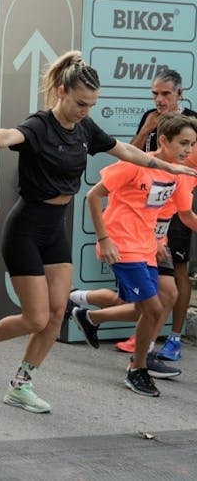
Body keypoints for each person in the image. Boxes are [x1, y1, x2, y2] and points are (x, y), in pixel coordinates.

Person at [0, 52, 197, 414]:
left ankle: (21, 384)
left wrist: (166, 164)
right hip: (26, 229)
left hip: (55, 228)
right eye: (81, 103)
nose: (85, 110)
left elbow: (123, 149)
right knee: (35, 317)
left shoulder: (85, 128)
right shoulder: (39, 125)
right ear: (62, 92)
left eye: (91, 105)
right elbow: (9, 134)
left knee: (57, 311)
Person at [74, 114, 197, 394]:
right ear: (164, 140)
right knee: (154, 309)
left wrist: (156, 240)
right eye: (183, 143)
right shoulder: (134, 165)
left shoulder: (177, 175)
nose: (188, 150)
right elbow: (93, 196)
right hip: (121, 243)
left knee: (143, 308)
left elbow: (186, 215)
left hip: (147, 246)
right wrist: (104, 240)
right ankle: (137, 369)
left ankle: (89, 317)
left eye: (192, 144)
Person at [128, 69, 197, 361]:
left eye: (165, 94)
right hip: (146, 207)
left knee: (177, 271)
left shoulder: (192, 122)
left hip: (178, 204)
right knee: (147, 273)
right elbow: (130, 157)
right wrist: (147, 129)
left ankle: (174, 337)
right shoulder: (149, 116)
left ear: (179, 94)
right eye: (155, 93)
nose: (159, 99)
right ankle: (144, 334)